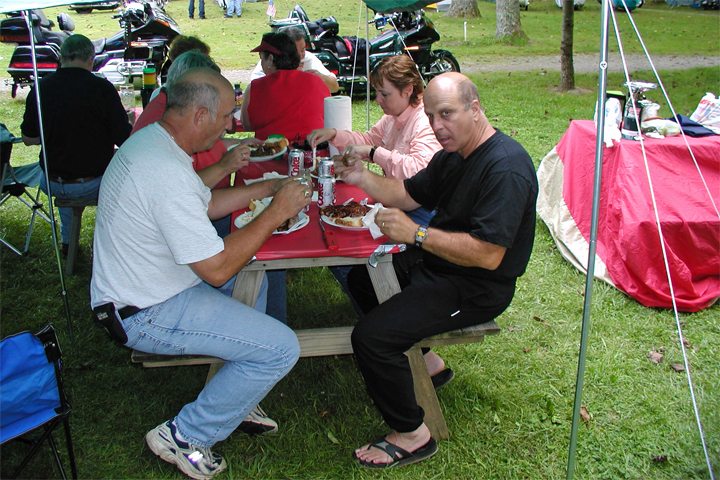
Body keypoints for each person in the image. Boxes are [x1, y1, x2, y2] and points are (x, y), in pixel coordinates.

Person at [91, 68, 311, 479]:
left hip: (156, 285)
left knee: (255, 277)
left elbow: (204, 203)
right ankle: (185, 435)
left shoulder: (156, 142)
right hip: (144, 311)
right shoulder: (162, 170)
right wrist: (276, 213)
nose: (230, 125)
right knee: (281, 348)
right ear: (199, 115)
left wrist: (267, 189)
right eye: (226, 116)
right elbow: (217, 270)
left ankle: (237, 396)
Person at [335, 72, 538, 468]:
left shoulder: (506, 168)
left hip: (476, 286)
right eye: (430, 116)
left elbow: (488, 255)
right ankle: (427, 363)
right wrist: (360, 176)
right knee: (362, 279)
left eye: (447, 113)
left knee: (372, 338)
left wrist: (417, 234)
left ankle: (412, 435)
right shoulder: (453, 155)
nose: (437, 126)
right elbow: (406, 194)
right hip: (438, 265)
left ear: (475, 109)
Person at [20, 34, 131, 256]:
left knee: (67, 170)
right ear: (91, 60)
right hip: (91, 183)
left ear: (61, 59)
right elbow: (124, 139)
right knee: (129, 179)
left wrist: (55, 129)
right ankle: (117, 242)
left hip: (50, 181)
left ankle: (68, 242)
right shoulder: (101, 89)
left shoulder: (41, 88)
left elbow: (28, 139)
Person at [132, 50, 257, 238]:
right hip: (187, 223)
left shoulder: (170, 114)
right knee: (258, 225)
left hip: (201, 207)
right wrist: (224, 167)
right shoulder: (165, 131)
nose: (229, 124)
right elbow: (188, 194)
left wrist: (240, 143)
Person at [308, 54, 441, 225]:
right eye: (377, 93)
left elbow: (419, 173)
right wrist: (334, 134)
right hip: (399, 201)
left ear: (408, 90)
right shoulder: (393, 116)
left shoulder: (425, 121)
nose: (378, 100)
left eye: (384, 94)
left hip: (425, 211)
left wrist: (374, 153)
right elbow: (369, 140)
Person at [241, 32, 331, 142]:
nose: (261, 63)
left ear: (270, 59)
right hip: (312, 148)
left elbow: (247, 125)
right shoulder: (316, 81)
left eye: (262, 58)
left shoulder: (256, 87)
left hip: (271, 149)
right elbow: (329, 116)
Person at [250, 26, 339, 94]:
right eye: (295, 52)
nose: (300, 56)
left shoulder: (309, 58)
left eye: (303, 50)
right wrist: (291, 76)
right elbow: (257, 91)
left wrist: (319, 77)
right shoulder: (268, 63)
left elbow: (335, 88)